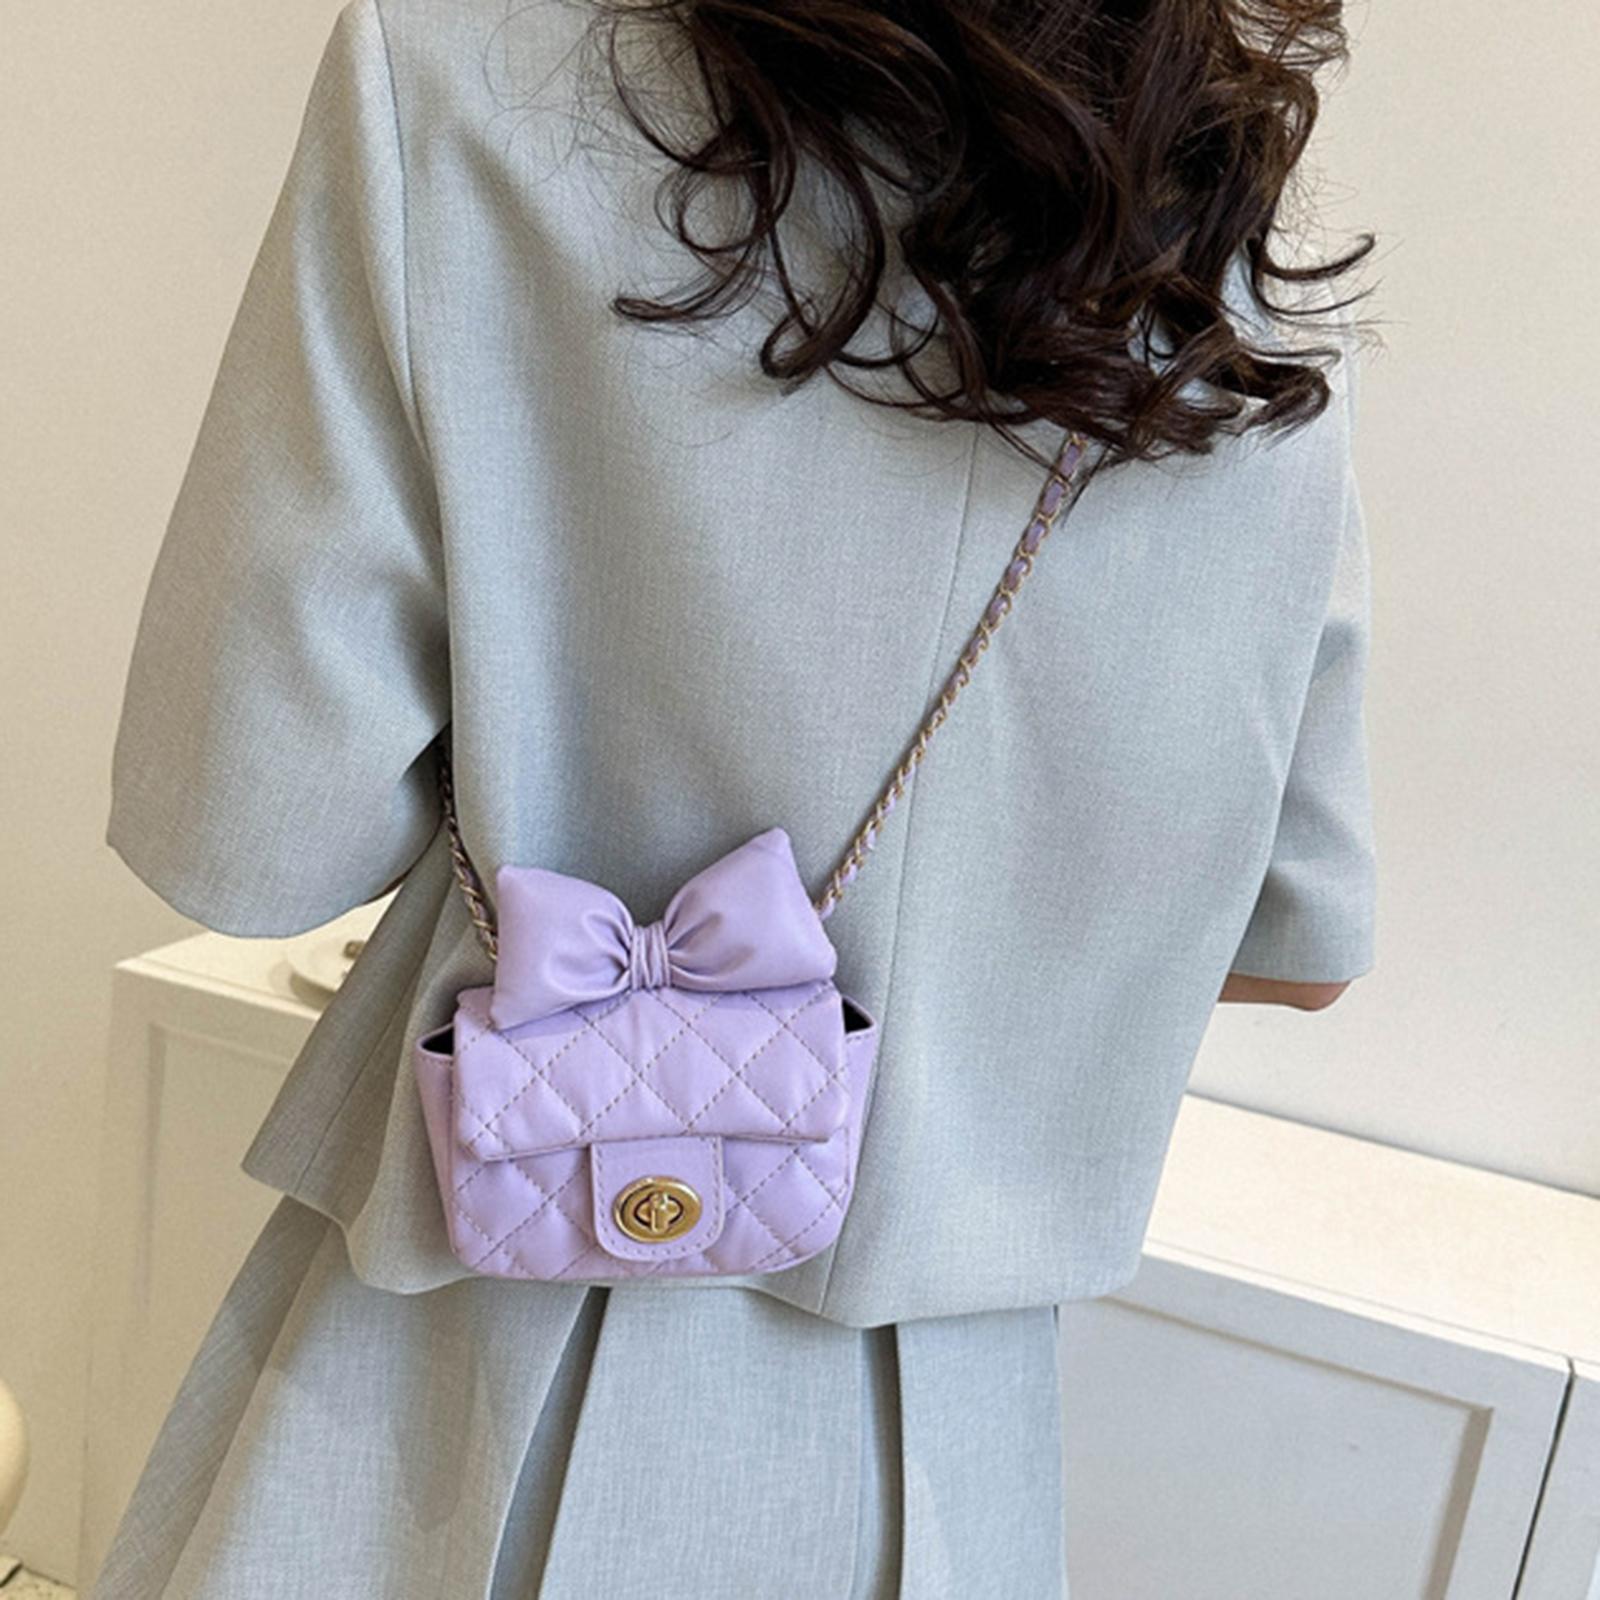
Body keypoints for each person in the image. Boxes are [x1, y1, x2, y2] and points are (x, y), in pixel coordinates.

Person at [93, 0, 1379, 1593]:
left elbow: (247, 838)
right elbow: (1300, 945)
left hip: (461, 1349)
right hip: (944, 1447)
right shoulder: (1229, 238)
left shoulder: (458, 78)